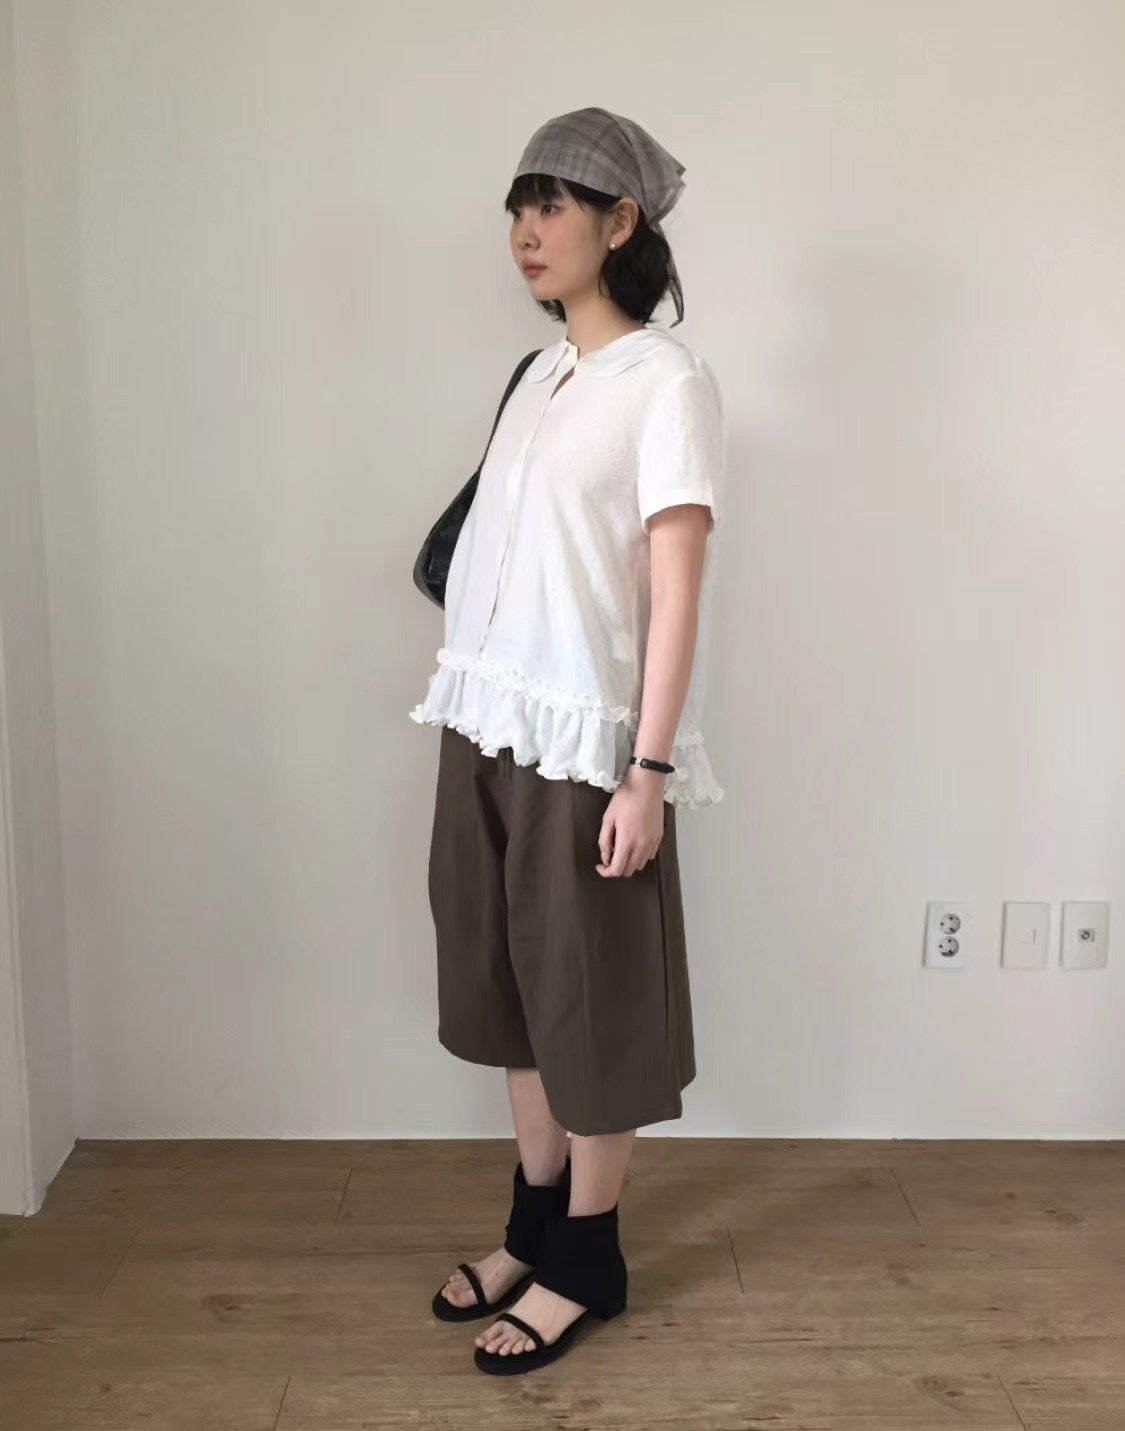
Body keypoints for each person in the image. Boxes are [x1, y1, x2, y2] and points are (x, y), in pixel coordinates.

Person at [408, 107, 727, 1374]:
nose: (525, 231)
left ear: (621, 221)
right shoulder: (538, 375)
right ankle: (534, 1228)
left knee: (591, 1003)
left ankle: (588, 1257)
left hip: (587, 746)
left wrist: (647, 772)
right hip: (485, 720)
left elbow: (677, 593)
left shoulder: (669, 384)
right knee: (509, 996)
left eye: (552, 205)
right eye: (518, 207)